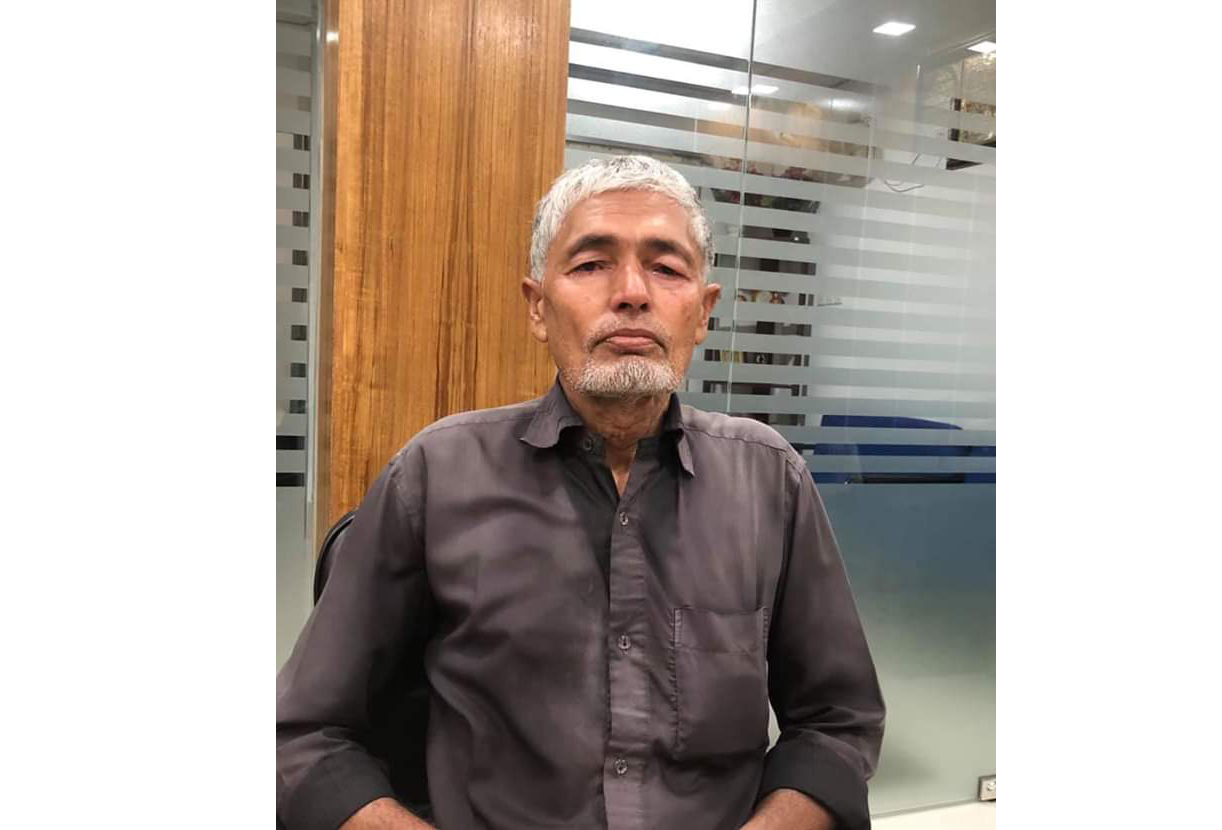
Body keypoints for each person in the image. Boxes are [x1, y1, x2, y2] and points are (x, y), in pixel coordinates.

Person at [277, 155, 885, 830]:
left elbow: (837, 723)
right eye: (592, 264)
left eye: (666, 267)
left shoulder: (770, 481)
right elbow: (303, 735)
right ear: (538, 307)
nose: (632, 293)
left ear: (704, 312)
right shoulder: (435, 475)